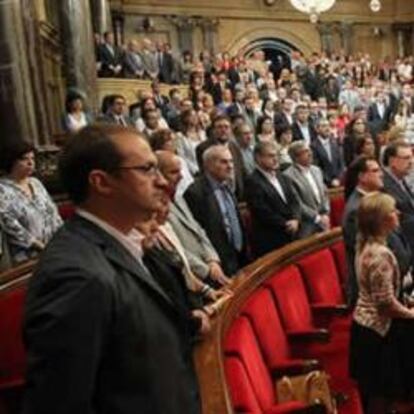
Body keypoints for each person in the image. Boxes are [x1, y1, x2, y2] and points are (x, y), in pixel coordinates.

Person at [23, 124, 201, 414]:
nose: (162, 182)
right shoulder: (77, 276)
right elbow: (60, 403)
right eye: (147, 170)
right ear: (102, 183)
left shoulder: (132, 244)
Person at [349, 192, 414, 414]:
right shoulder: (380, 255)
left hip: (366, 326)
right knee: (381, 395)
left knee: (377, 393)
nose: (398, 214)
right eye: (392, 211)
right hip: (376, 332)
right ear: (382, 220)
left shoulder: (366, 245)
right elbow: (385, 305)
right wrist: (411, 313)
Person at [157, 151, 230, 286]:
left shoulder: (178, 198)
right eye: (173, 172)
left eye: (180, 171)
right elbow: (172, 249)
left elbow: (198, 229)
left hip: (210, 268)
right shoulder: (155, 206)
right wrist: (207, 270)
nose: (180, 176)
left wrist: (212, 259)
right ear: (158, 175)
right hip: (190, 277)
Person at [184, 145, 247, 276]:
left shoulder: (227, 184)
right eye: (224, 162)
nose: (230, 166)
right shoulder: (195, 193)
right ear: (208, 164)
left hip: (240, 256)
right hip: (218, 262)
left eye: (231, 161)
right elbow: (199, 232)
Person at [0, 140, 62, 263]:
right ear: (11, 161)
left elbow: (53, 213)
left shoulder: (36, 183)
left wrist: (62, 241)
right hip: (27, 257)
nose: (30, 163)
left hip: (55, 249)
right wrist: (41, 246)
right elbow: (11, 226)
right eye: (24, 159)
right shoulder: (2, 189)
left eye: (32, 159)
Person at [245, 141, 301, 257]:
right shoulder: (252, 181)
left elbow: (294, 200)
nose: (276, 159)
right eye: (271, 156)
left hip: (291, 232)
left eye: (277, 155)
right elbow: (262, 211)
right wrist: (285, 224)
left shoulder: (282, 176)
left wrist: (296, 219)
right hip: (270, 239)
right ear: (258, 158)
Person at [283, 141, 330, 237]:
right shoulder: (288, 176)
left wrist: (325, 213)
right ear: (296, 157)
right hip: (306, 226)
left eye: (309, 150)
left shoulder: (316, 170)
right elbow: (297, 203)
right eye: (305, 151)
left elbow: (325, 193)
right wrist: (317, 218)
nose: (310, 154)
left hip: (324, 221)